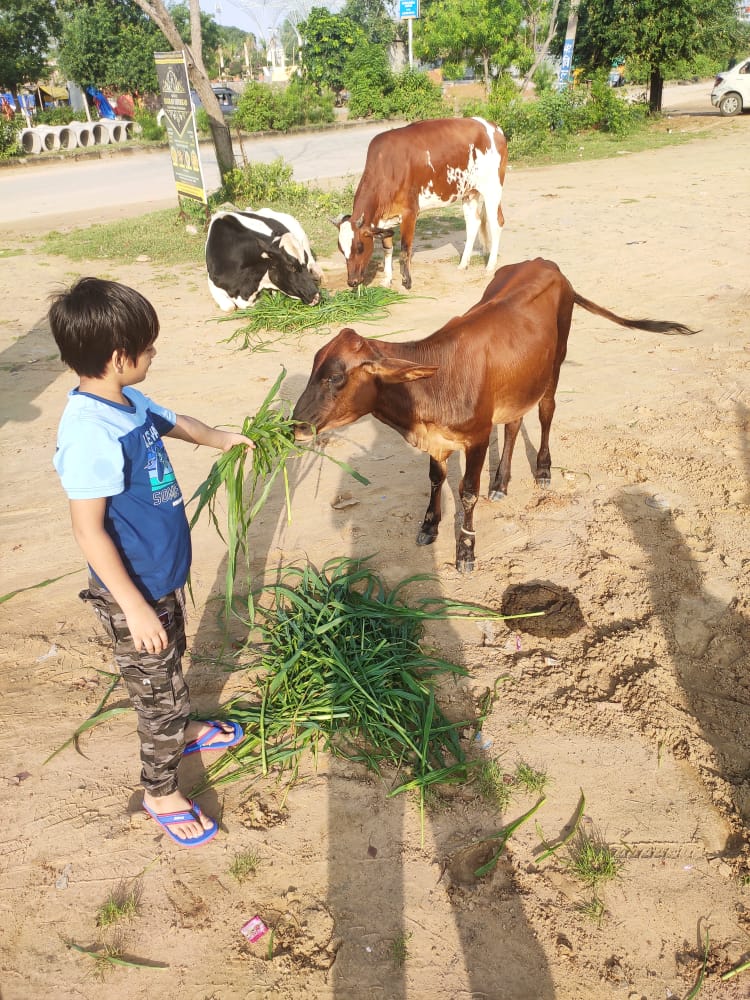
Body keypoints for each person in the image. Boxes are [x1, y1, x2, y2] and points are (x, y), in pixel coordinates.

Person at [49, 277, 254, 847]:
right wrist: (134, 609)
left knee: (172, 665)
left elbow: (173, 422)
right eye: (148, 346)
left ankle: (184, 724)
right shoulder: (90, 433)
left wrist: (220, 438)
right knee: (155, 701)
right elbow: (88, 532)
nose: (154, 353)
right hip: (132, 593)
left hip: (161, 581)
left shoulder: (126, 400)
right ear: (120, 358)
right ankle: (161, 791)